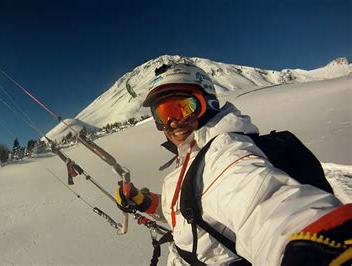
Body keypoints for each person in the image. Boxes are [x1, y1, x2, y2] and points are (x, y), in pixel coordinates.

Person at [115, 63, 351, 265]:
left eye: (185, 108)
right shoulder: (191, 155)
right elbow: (192, 210)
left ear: (208, 103)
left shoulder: (226, 155)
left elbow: (263, 204)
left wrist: (314, 247)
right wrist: (145, 202)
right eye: (163, 116)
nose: (173, 123)